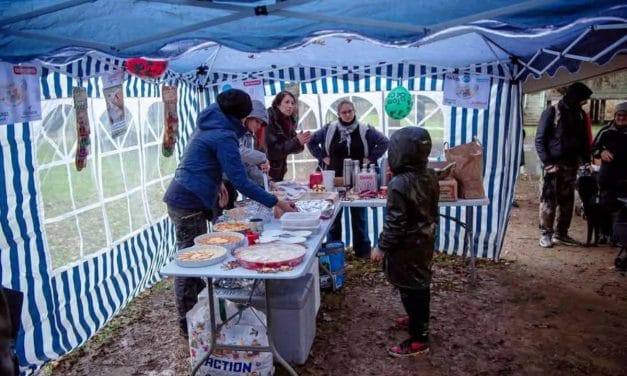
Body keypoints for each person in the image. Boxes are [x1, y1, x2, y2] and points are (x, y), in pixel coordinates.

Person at [163, 89, 296, 336]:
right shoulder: (223, 135)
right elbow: (242, 180)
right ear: (242, 117)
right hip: (188, 200)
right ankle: (188, 322)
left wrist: (217, 184)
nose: (254, 126)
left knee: (195, 258)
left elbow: (201, 162)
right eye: (252, 119)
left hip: (187, 195)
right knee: (190, 262)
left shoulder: (211, 125)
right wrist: (275, 201)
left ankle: (200, 313)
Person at [371, 126, 438, 357]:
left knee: (413, 289)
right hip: (424, 241)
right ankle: (415, 318)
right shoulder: (429, 175)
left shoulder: (399, 184)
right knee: (416, 285)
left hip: (407, 247)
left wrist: (381, 246)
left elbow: (395, 224)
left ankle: (420, 338)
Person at [308, 99, 389, 258]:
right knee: (333, 217)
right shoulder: (329, 129)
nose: (347, 114)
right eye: (344, 112)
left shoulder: (365, 129)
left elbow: (384, 142)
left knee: (359, 216)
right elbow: (310, 141)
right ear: (338, 114)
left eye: (350, 111)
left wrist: (371, 158)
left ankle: (363, 251)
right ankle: (334, 250)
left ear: (354, 112)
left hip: (360, 181)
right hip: (335, 179)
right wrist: (322, 156)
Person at [535, 82, 592, 248]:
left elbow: (583, 142)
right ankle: (546, 234)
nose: (584, 103)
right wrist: (547, 164)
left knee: (567, 201)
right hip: (552, 167)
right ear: (574, 96)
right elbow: (539, 140)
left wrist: (586, 162)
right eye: (583, 99)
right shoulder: (552, 112)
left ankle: (562, 233)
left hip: (571, 166)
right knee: (548, 200)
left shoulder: (580, 115)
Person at [592, 101, 627, 244]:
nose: (621, 118)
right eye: (619, 115)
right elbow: (593, 148)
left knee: (622, 208)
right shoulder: (605, 131)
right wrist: (602, 152)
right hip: (607, 176)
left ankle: (619, 237)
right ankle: (603, 234)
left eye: (625, 116)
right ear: (614, 116)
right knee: (605, 205)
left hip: (625, 177)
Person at [264, 91, 311, 181]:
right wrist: (297, 141)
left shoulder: (288, 121)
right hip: (267, 172)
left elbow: (293, 147)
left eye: (292, 103)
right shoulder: (269, 119)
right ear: (278, 104)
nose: (290, 106)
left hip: (279, 171)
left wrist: (300, 142)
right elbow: (272, 152)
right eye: (287, 102)